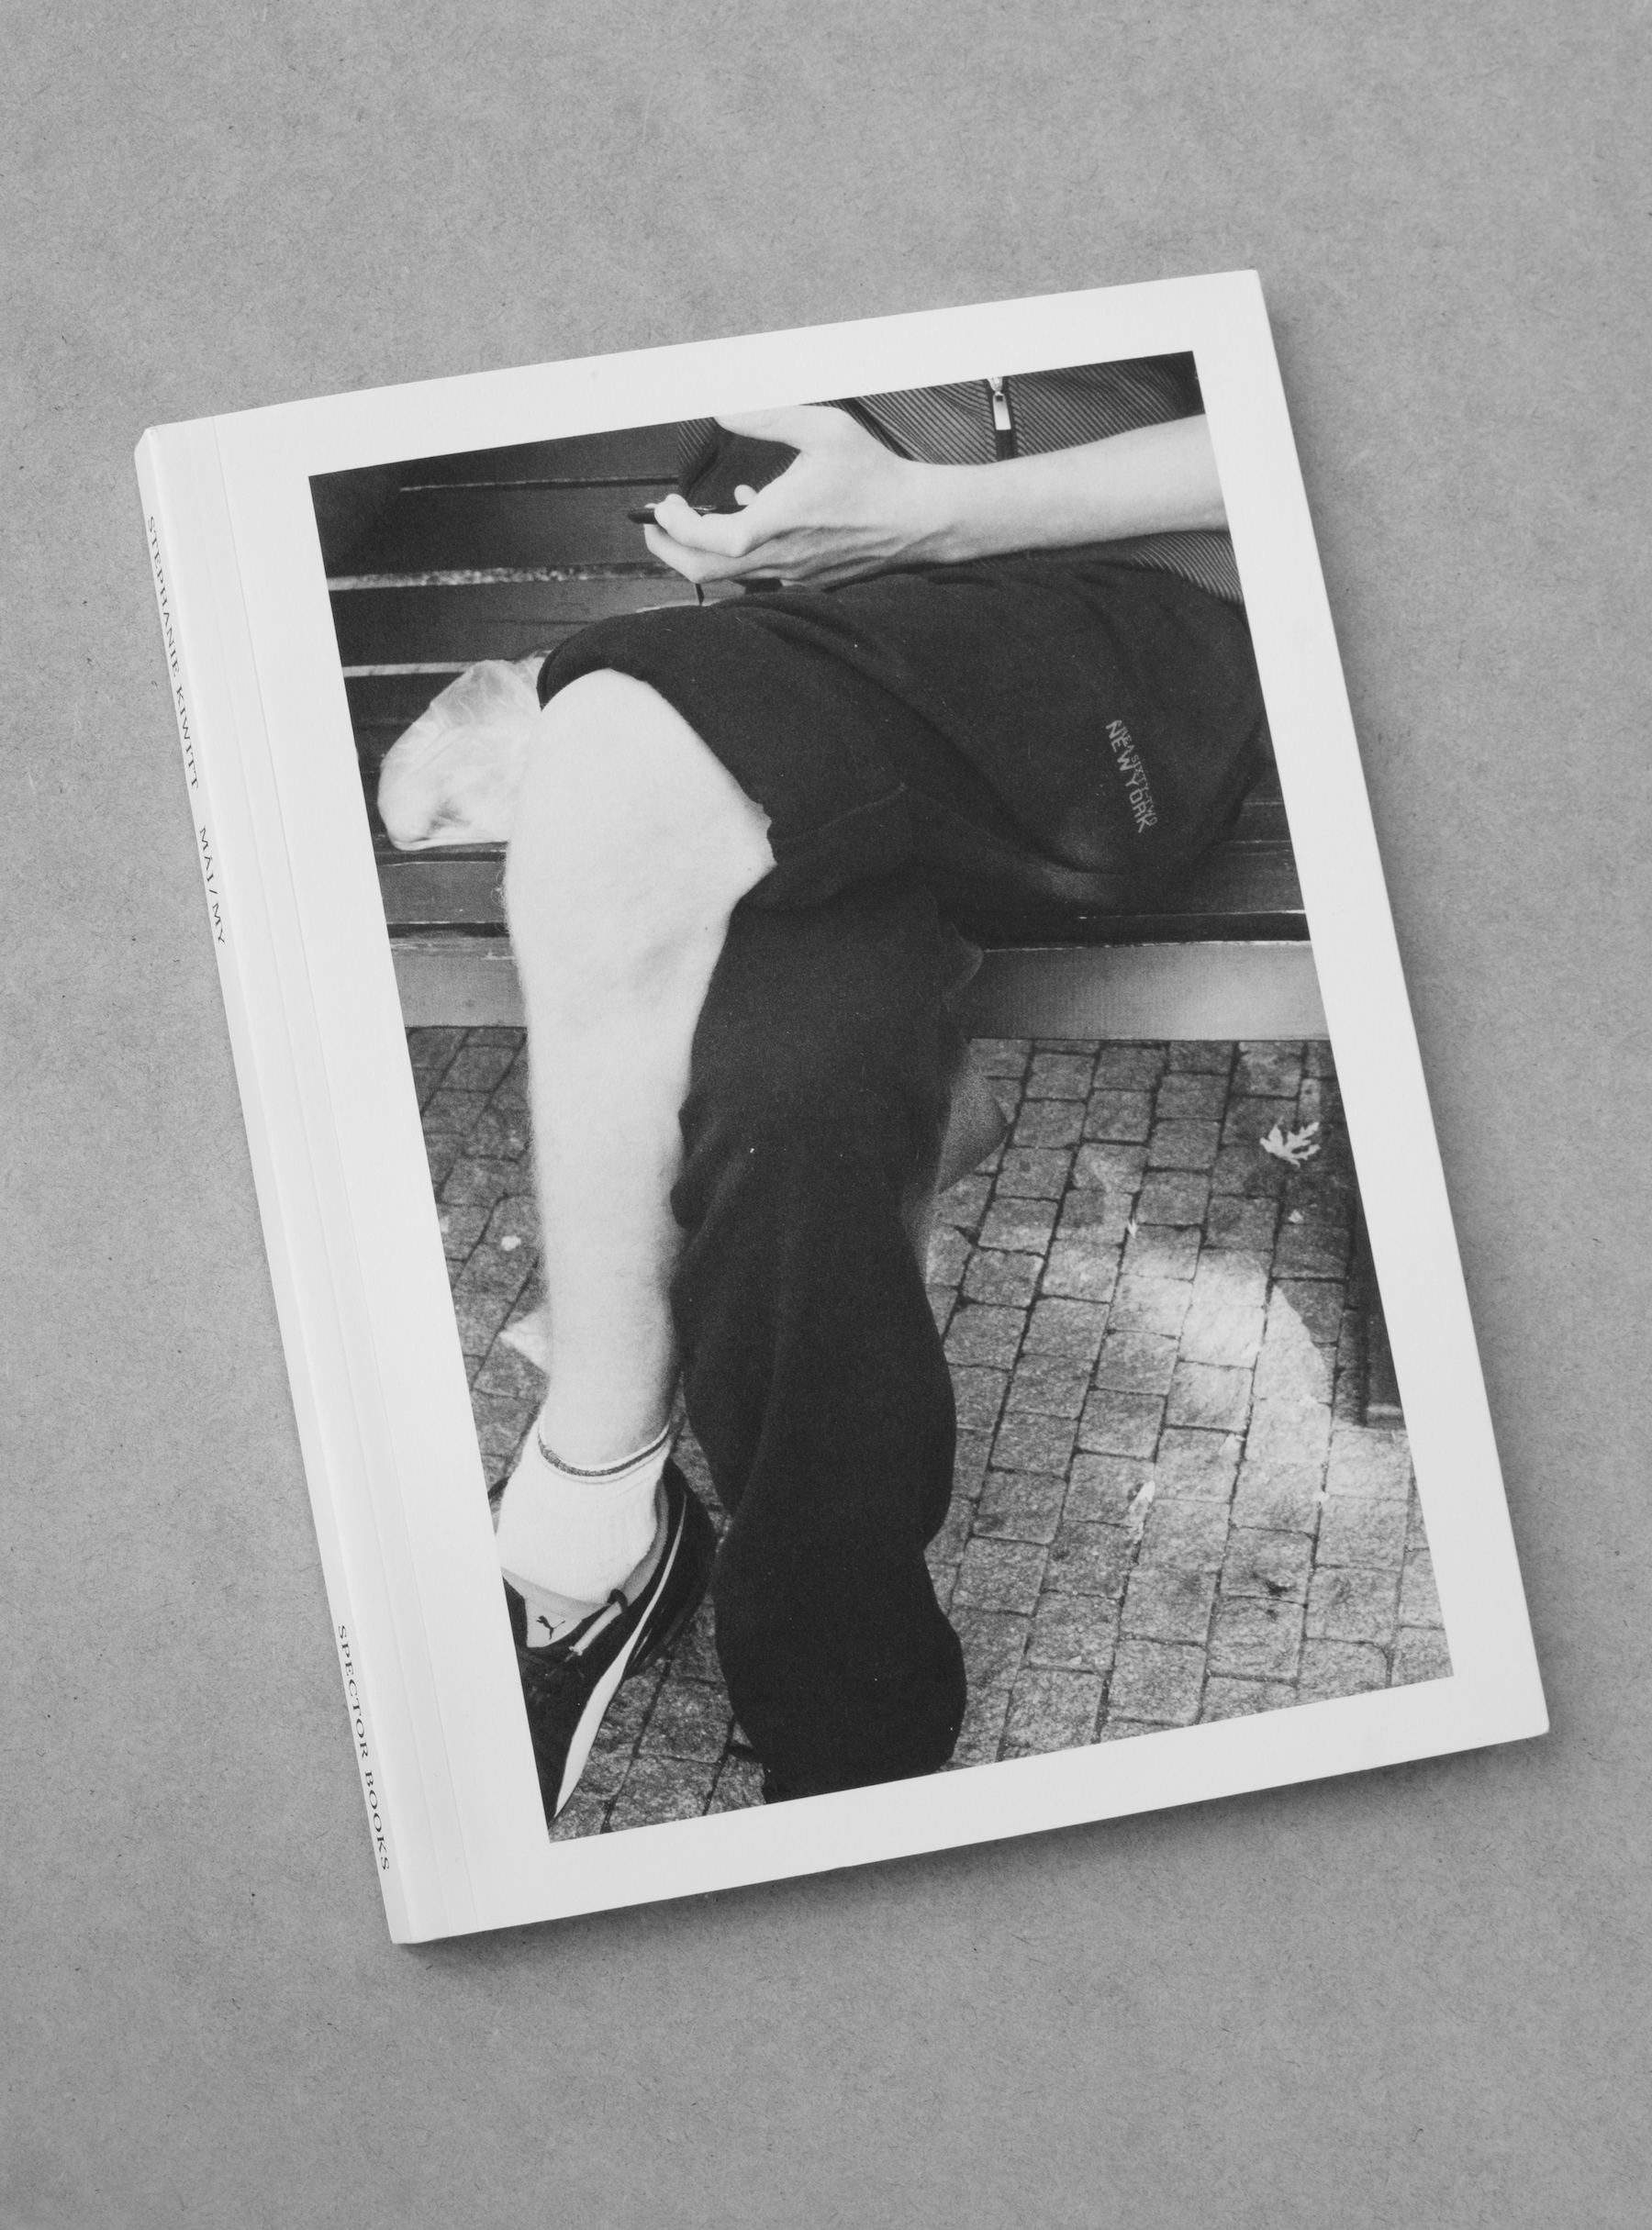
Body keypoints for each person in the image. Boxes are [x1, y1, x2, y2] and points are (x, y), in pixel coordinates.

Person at [484, 358, 1267, 1815]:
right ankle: (856, 1721)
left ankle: (583, 1524)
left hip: (1118, 616)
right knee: (791, 1086)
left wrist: (928, 513)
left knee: (612, 765)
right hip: (810, 611)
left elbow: (1308, 433)